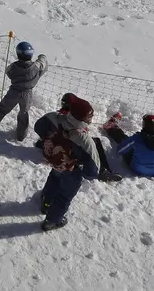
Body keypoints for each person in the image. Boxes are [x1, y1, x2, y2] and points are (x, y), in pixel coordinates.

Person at [38, 95, 101, 230]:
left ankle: (46, 203)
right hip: (72, 171)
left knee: (54, 178)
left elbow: (39, 126)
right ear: (85, 119)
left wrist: (48, 140)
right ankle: (52, 221)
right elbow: (92, 172)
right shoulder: (85, 141)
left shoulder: (56, 118)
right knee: (64, 196)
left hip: (56, 161)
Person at [0, 42, 45, 142]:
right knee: (23, 113)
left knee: (2, 109)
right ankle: (21, 136)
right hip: (27, 94)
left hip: (13, 92)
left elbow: (8, 72)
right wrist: (42, 57)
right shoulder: (36, 68)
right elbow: (42, 64)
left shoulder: (13, 66)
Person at [102, 112, 154, 178]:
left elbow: (120, 150)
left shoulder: (137, 139)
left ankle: (111, 127)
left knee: (124, 139)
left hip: (137, 169)